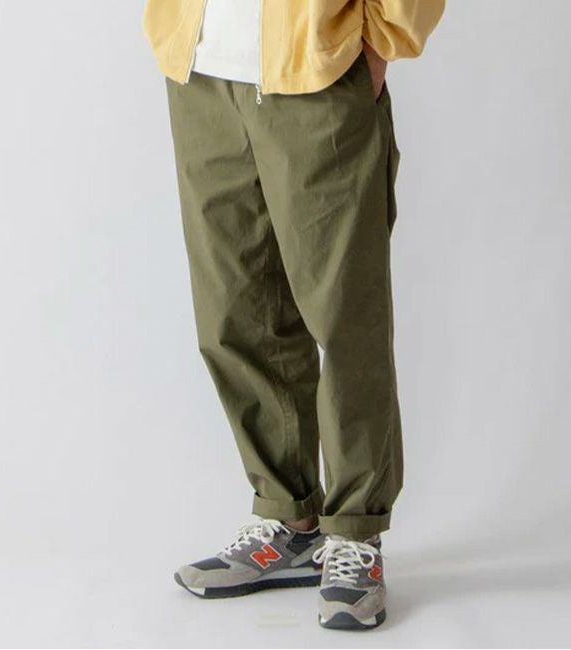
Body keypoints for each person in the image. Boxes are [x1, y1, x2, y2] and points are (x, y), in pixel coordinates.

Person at [143, 0, 445, 630]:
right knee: (233, 311)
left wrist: (380, 42)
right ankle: (287, 516)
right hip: (200, 70)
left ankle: (356, 531)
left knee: (345, 317)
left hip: (317, 69)